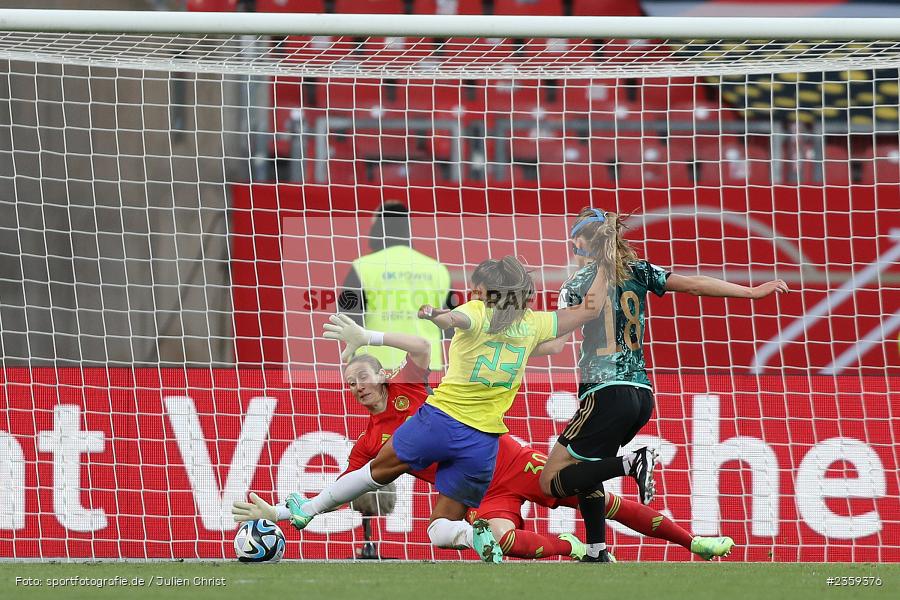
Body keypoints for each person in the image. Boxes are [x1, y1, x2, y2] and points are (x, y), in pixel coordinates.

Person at [234, 256, 609, 562]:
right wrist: (607, 266)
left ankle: (302, 512)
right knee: (441, 526)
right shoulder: (535, 323)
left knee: (375, 473)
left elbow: (455, 319)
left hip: (442, 422)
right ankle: (472, 534)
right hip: (484, 443)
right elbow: (589, 311)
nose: (473, 290)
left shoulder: (477, 311)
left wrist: (434, 316)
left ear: (490, 291)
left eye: (478, 285)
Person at [536, 207, 790, 562]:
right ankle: (596, 551)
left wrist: (513, 342)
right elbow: (696, 285)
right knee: (586, 470)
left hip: (603, 393)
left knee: (552, 480)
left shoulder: (574, 286)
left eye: (573, 241)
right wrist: (751, 292)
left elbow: (556, 343)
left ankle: (632, 463)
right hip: (641, 394)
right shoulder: (639, 271)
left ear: (581, 243)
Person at [338, 201, 451, 370]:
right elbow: (449, 322)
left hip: (375, 367)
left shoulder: (363, 266)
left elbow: (346, 317)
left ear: (378, 227)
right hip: (426, 366)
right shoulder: (437, 269)